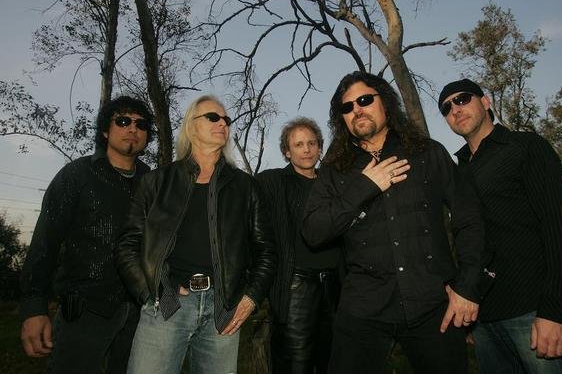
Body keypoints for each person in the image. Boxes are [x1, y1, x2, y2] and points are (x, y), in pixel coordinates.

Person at [302, 71, 489, 374]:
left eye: (364, 100)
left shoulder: (427, 152)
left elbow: (469, 219)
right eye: (347, 107)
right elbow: (313, 231)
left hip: (432, 306)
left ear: (385, 102)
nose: (357, 110)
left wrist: (467, 287)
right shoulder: (335, 171)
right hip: (363, 310)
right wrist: (365, 187)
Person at [115, 95, 276, 374]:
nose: (223, 123)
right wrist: (153, 292)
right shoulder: (156, 182)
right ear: (191, 126)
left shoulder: (246, 187)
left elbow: (266, 250)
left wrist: (250, 298)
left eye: (226, 119)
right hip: (168, 306)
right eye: (213, 117)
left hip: (222, 312)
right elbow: (127, 245)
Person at [439, 78, 562, 373]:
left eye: (463, 99)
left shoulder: (525, 147)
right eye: (446, 107)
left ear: (485, 102)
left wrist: (555, 311)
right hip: (483, 320)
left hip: (533, 312)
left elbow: (561, 229)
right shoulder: (460, 171)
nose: (455, 109)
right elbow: (467, 243)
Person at [19, 96, 154, 373]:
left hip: (139, 316)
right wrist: (34, 308)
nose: (133, 128)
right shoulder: (76, 176)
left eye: (141, 124)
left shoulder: (153, 183)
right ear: (105, 130)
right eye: (123, 121)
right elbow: (45, 241)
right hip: (83, 314)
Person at [256, 117, 341, 374]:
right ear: (287, 151)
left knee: (333, 362)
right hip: (295, 287)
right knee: (295, 364)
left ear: (320, 148)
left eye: (312, 143)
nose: (306, 150)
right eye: (298, 144)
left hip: (336, 288)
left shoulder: (334, 183)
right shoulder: (272, 182)